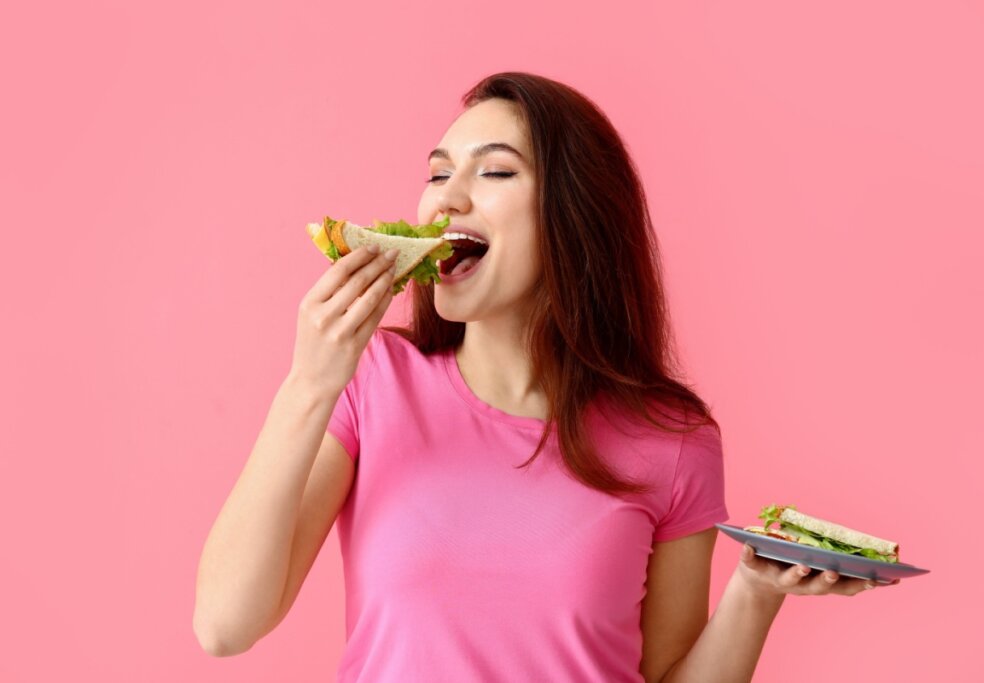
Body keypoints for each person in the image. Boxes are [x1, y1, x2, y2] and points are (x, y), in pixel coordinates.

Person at [194, 72, 896, 682]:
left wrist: (753, 591)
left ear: (573, 215)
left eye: (493, 172)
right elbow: (225, 625)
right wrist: (308, 384)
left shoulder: (674, 440)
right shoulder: (373, 381)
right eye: (438, 173)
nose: (447, 199)